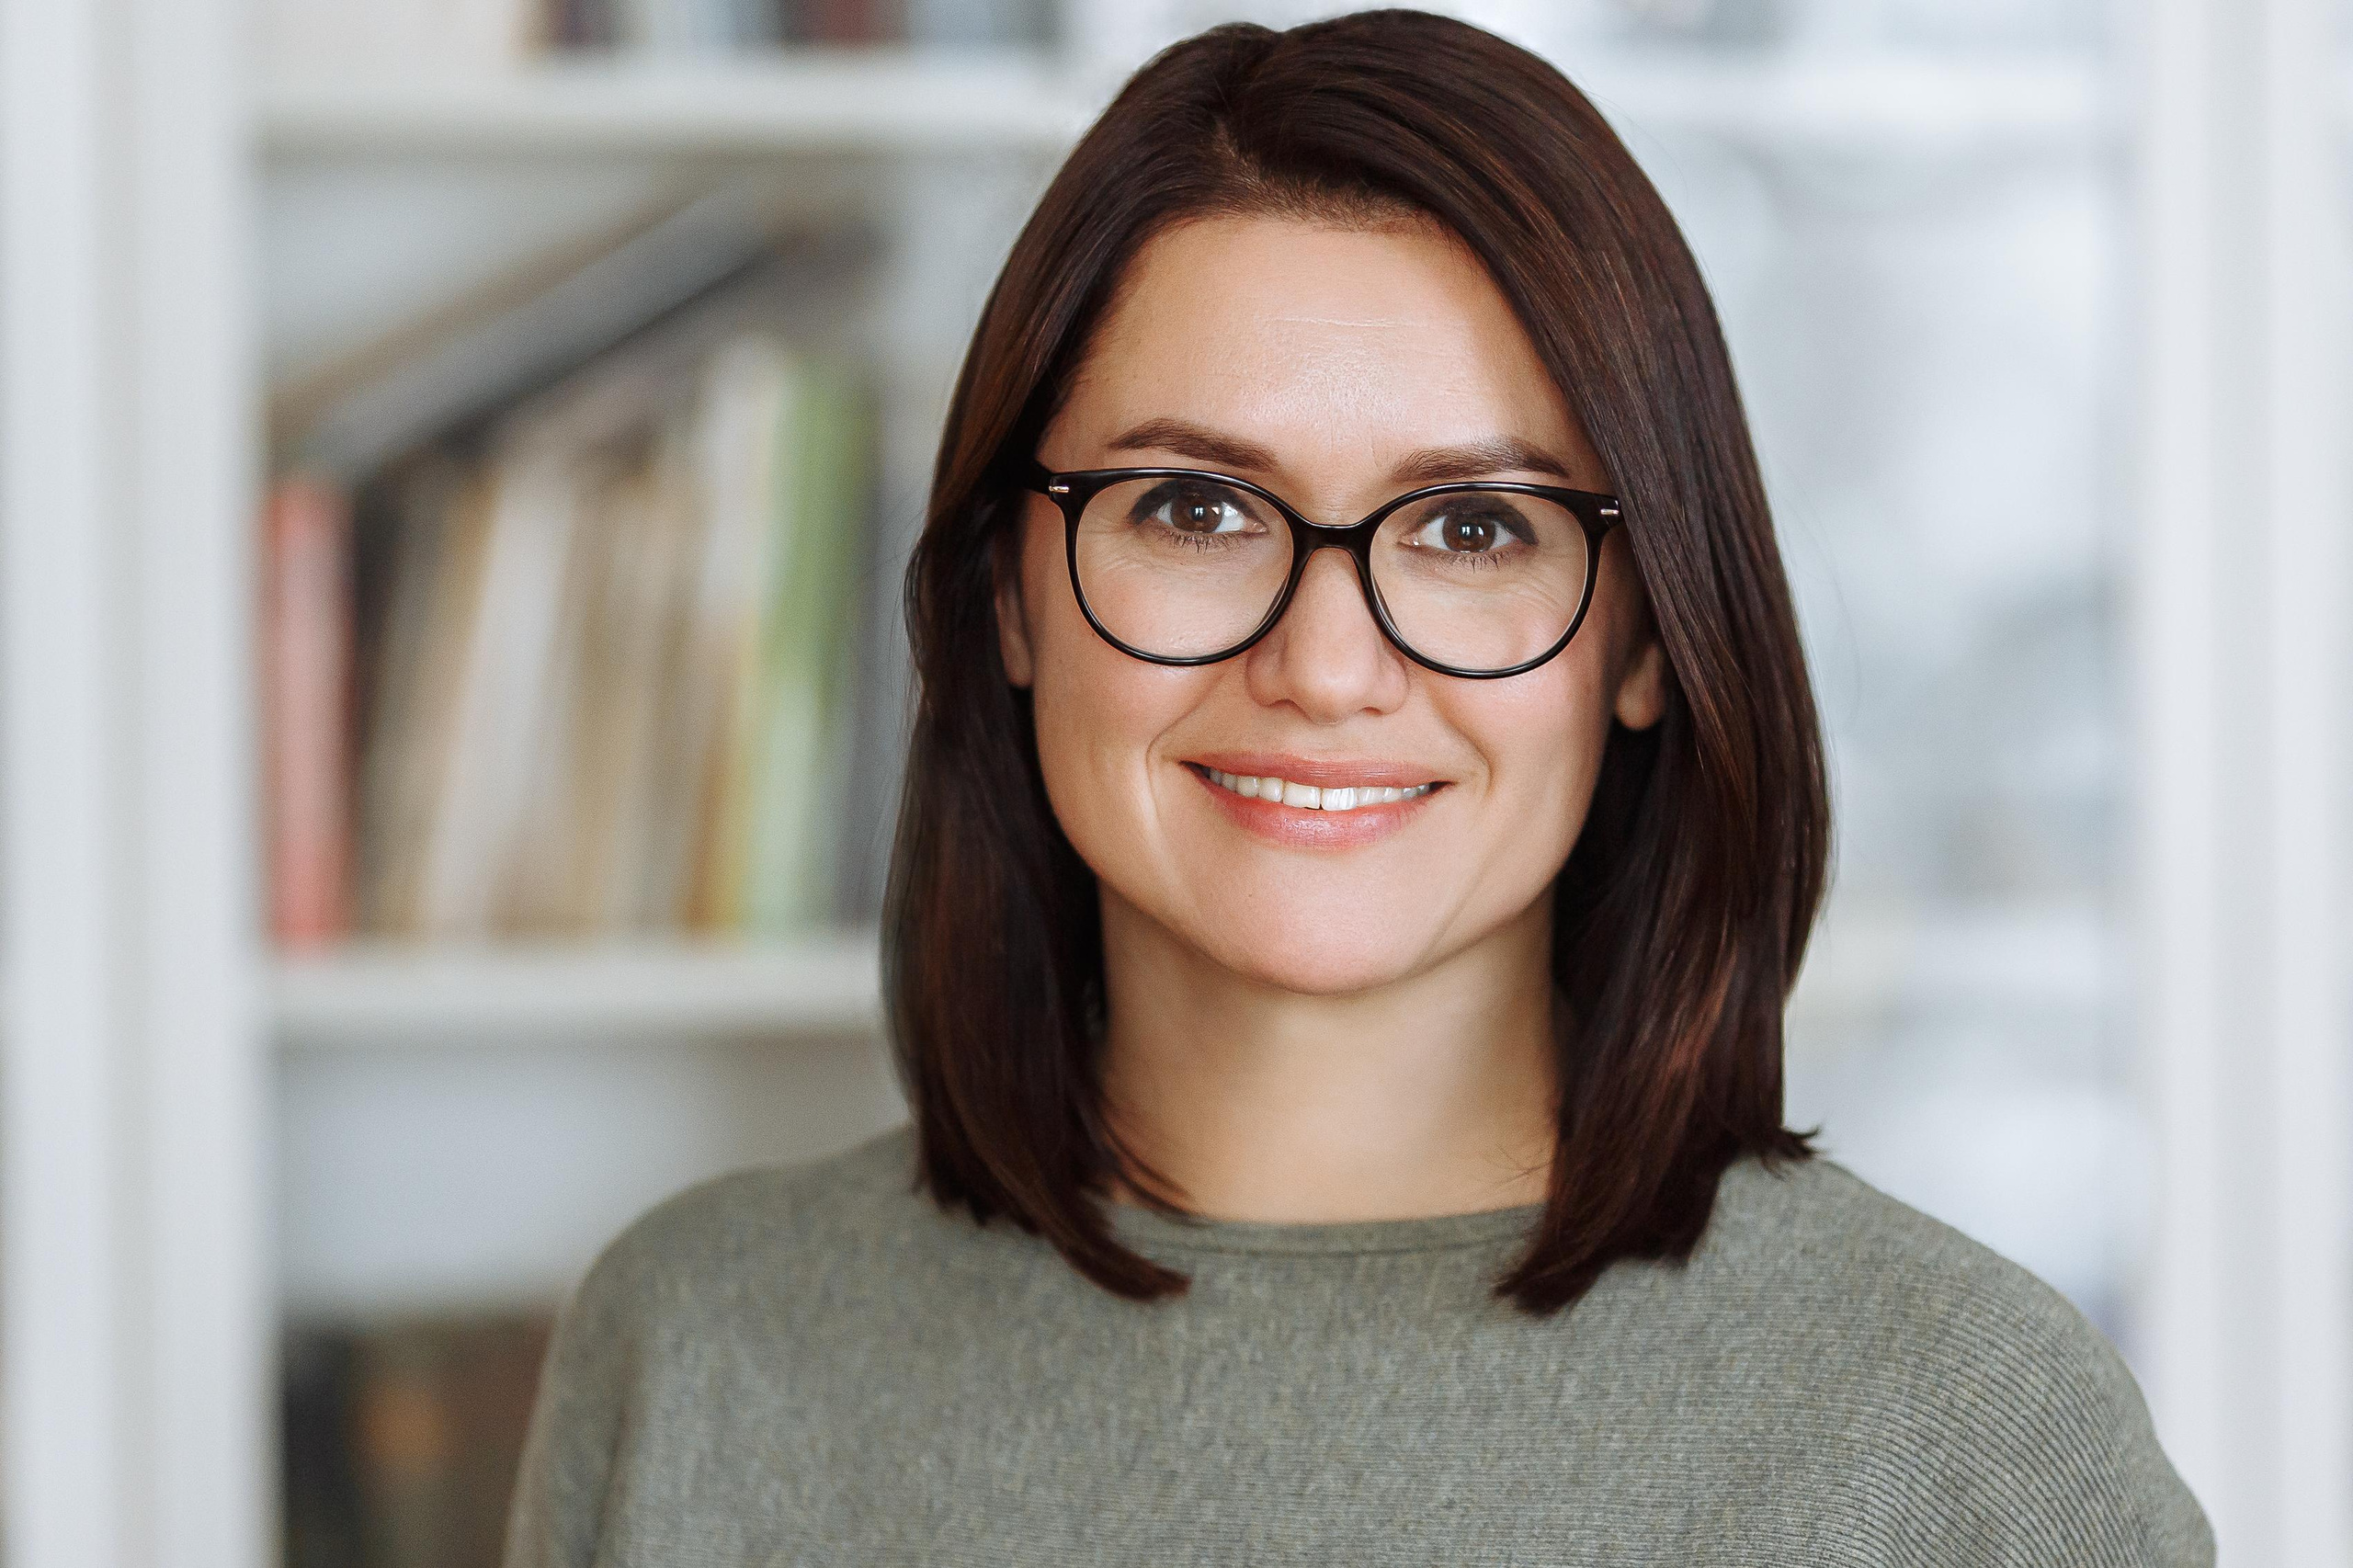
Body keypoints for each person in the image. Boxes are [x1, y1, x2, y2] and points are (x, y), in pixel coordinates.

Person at [505, 11, 2212, 1563]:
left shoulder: (1959, 1439)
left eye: (1476, 529)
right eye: (1192, 508)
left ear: (1642, 636)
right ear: (1009, 591)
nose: (1326, 665)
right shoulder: (698, 1352)